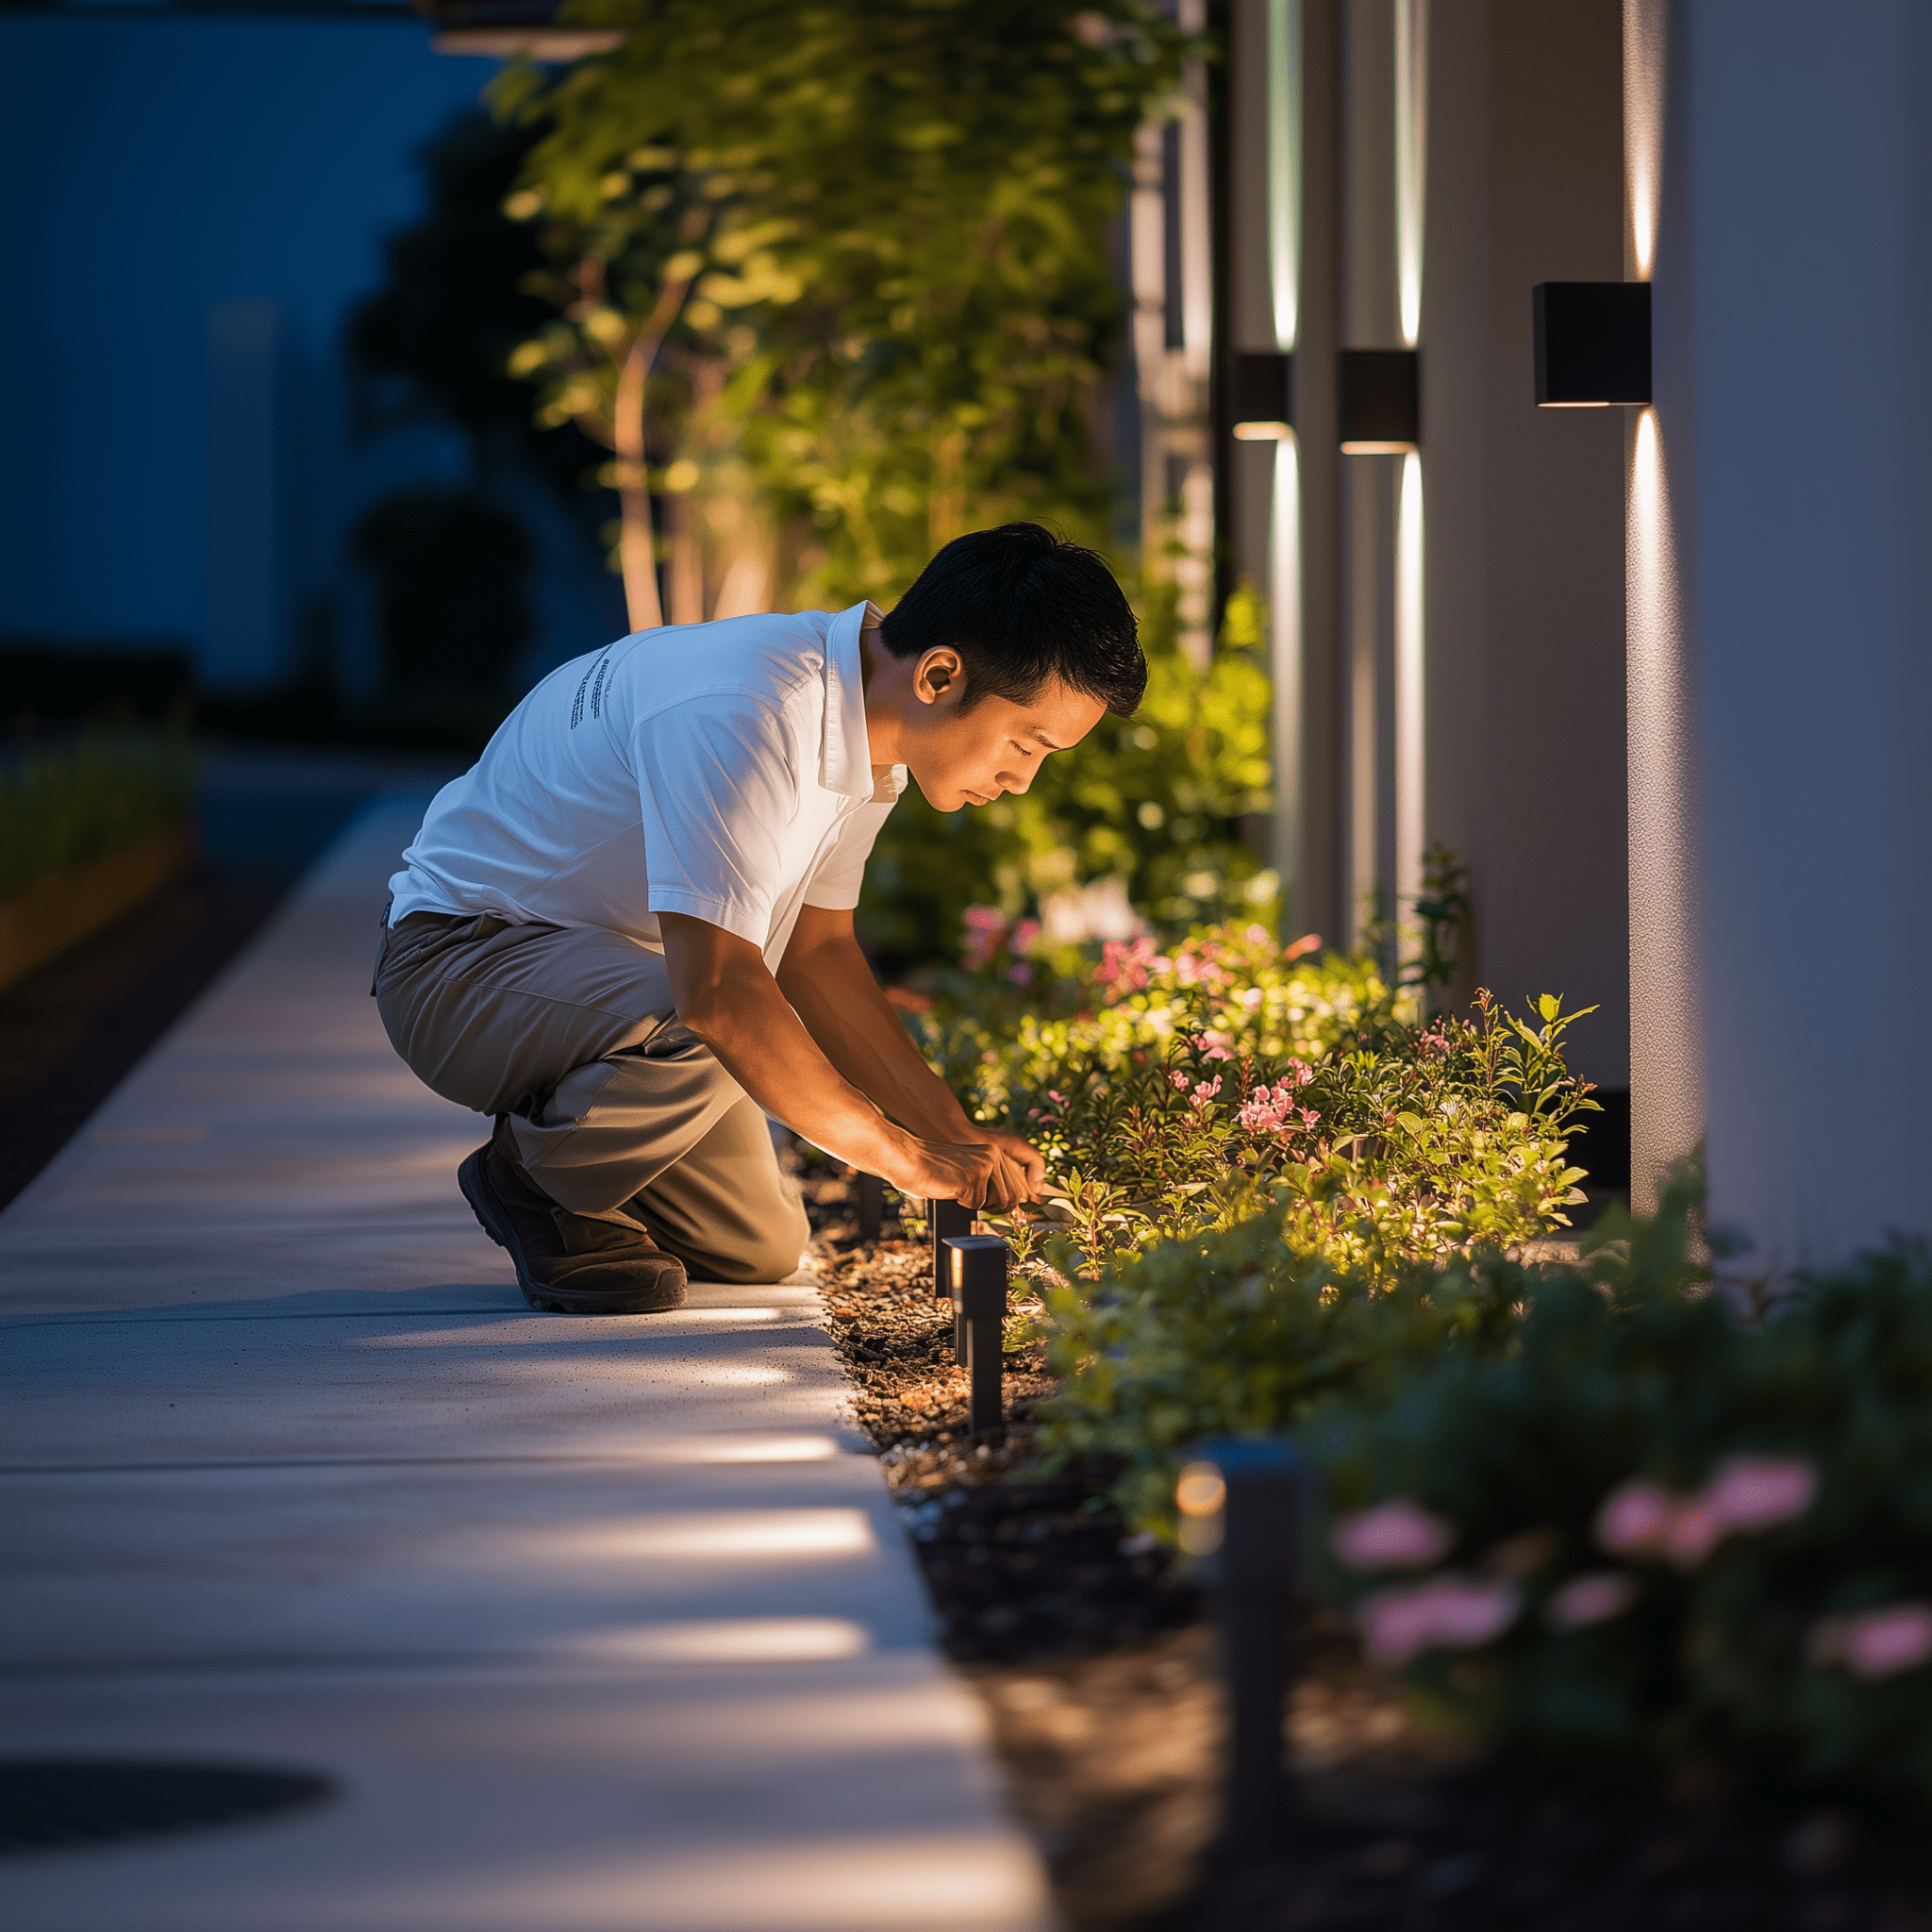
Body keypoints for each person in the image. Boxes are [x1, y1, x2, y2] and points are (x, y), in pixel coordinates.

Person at [373, 522, 1147, 1314]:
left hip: (616, 989)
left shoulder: (875, 736)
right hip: (461, 964)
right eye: (1028, 743)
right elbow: (720, 996)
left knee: (759, 1248)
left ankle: (581, 1142)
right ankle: (531, 1182)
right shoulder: (748, 708)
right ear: (940, 675)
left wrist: (954, 1136)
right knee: (718, 1014)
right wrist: (900, 1159)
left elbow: (816, 952)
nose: (1024, 779)